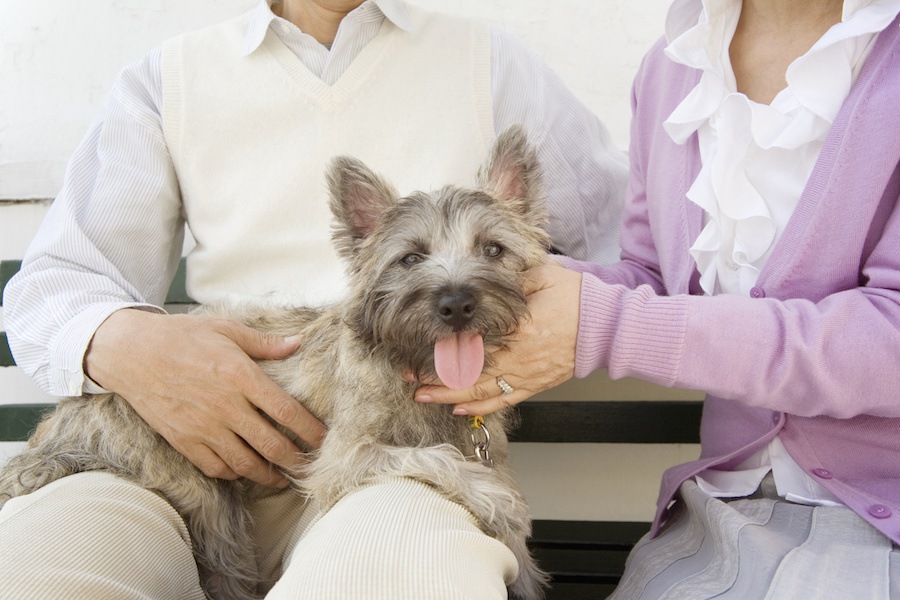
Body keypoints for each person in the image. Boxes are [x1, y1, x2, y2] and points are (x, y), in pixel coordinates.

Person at [0, 0, 628, 597]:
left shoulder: (491, 61)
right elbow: (55, 284)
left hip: (404, 462)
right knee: (45, 571)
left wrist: (551, 321)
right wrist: (133, 345)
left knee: (401, 567)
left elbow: (629, 252)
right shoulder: (168, 80)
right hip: (168, 454)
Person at [417, 0, 900, 597]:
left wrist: (606, 326)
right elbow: (652, 278)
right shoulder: (673, 67)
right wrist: (518, 290)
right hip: (722, 513)